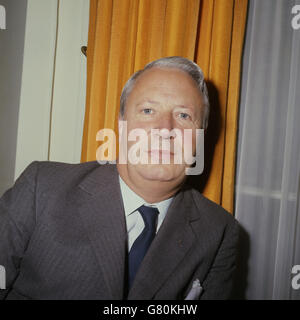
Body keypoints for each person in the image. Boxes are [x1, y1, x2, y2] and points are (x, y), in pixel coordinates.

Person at [0, 56, 239, 300]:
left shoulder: (219, 230)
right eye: (148, 110)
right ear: (121, 124)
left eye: (184, 116)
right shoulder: (42, 189)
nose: (165, 129)